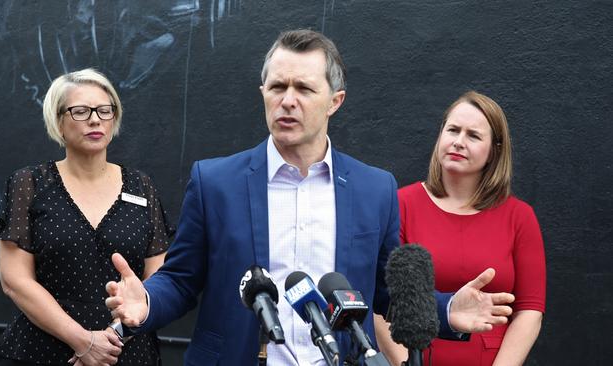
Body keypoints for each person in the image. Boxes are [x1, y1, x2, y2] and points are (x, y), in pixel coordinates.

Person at [105, 30, 515, 365]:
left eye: (304, 88)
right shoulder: (214, 181)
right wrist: (146, 301)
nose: (288, 100)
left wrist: (443, 310)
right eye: (278, 86)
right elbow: (180, 280)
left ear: (335, 101)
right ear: (263, 92)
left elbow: (386, 291)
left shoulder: (375, 188)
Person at [0, 69, 173, 366]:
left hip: (125, 352)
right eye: (80, 111)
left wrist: (111, 340)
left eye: (105, 110)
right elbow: (14, 280)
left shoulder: (141, 186)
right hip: (41, 351)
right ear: (58, 121)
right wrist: (84, 341)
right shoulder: (30, 183)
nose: (94, 119)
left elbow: (159, 279)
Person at [378, 91, 546, 365]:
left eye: (473, 135)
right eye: (452, 130)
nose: (458, 142)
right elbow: (379, 304)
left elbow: (530, 310)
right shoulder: (401, 205)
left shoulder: (519, 217)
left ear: (494, 151)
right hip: (415, 358)